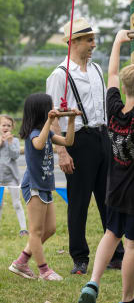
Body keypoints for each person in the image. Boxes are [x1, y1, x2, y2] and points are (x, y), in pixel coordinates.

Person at [78, 28, 134, 303]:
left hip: (114, 189)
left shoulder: (113, 108)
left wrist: (117, 41)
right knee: (132, 246)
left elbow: (112, 75)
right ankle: (127, 301)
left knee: (110, 234)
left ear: (124, 89)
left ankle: (93, 283)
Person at [46, 17, 124, 275]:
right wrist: (62, 151)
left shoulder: (97, 69)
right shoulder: (60, 75)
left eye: (93, 39)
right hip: (78, 141)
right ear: (74, 42)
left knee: (108, 199)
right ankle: (80, 258)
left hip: (102, 136)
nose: (93, 44)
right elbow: (54, 116)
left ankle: (116, 253)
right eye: (89, 40)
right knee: (78, 202)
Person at [9, 93, 81, 281]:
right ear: (42, 111)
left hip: (45, 185)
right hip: (33, 185)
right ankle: (44, 270)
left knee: (50, 228)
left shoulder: (47, 132)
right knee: (36, 231)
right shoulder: (34, 133)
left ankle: (21, 262)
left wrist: (71, 121)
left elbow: (68, 142)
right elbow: (39, 145)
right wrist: (50, 122)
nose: (54, 109)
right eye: (50, 107)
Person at [0, 115, 28, 236]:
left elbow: (15, 156)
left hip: (12, 178)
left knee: (17, 203)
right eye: (3, 125)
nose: (6, 127)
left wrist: (10, 143)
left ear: (12, 127)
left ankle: (23, 229)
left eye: (8, 125)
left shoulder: (15, 141)